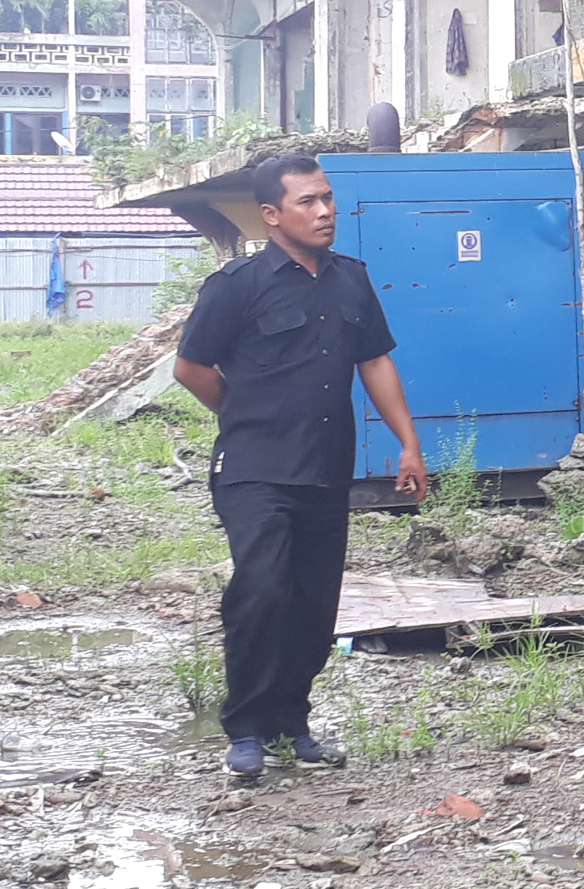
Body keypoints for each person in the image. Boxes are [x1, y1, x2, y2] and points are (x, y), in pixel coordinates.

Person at [173, 153, 428, 779]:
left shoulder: (351, 280)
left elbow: (374, 363)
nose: (324, 211)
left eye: (328, 199)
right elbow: (191, 367)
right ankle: (247, 727)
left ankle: (292, 722)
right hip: (254, 466)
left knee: (314, 600)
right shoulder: (238, 286)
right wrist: (242, 413)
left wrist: (408, 444)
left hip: (324, 464)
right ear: (271, 215)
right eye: (308, 202)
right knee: (262, 588)